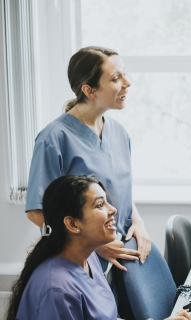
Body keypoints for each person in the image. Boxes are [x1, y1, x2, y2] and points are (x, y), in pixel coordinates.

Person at [25, 46, 150, 273]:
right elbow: (37, 211)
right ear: (90, 91)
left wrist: (137, 223)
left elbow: (119, 193)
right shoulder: (53, 139)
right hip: (82, 262)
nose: (127, 83)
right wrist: (94, 246)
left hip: (123, 256)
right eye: (115, 78)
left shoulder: (119, 133)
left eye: (125, 73)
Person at [6, 175, 191, 320]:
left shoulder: (89, 258)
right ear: (72, 224)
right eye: (100, 205)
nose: (113, 210)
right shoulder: (57, 290)